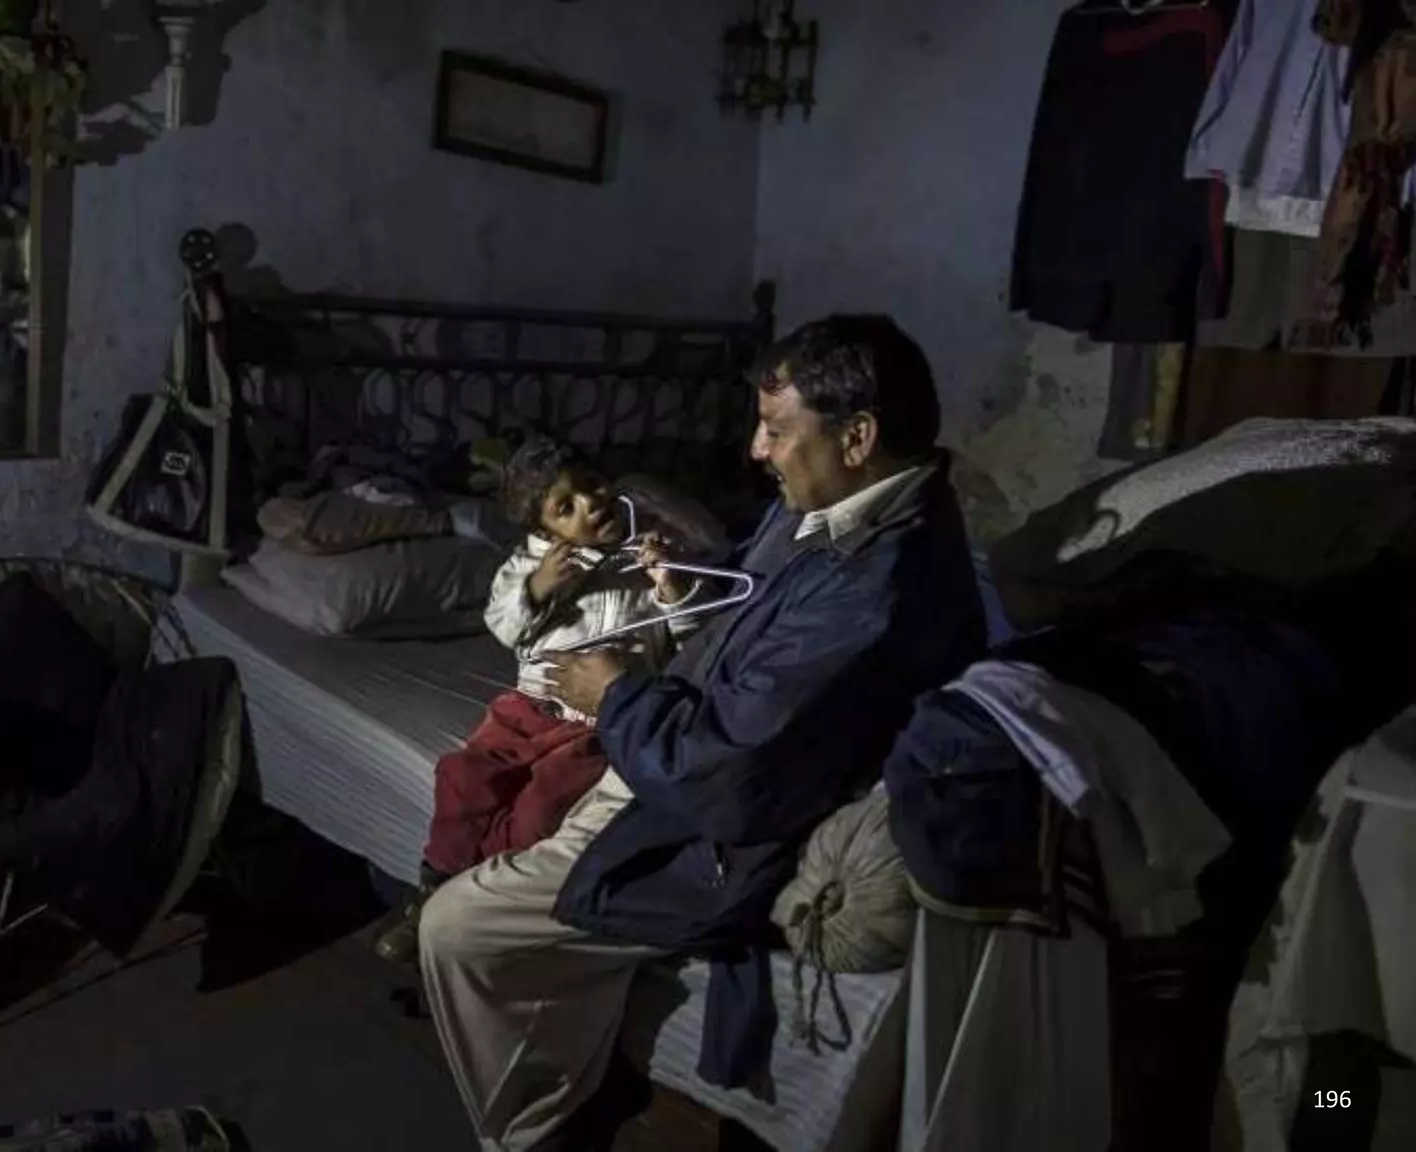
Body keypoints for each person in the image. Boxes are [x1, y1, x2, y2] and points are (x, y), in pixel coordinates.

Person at [415, 315, 989, 1151]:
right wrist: (687, 604)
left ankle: (535, 1134)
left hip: (704, 811)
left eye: (777, 430)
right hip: (661, 751)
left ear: (858, 436)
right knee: (499, 788)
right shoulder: (833, 512)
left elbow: (725, 773)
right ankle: (580, 1065)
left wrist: (615, 697)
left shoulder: (877, 585)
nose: (758, 451)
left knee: (457, 929)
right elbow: (747, 632)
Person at [375, 435, 702, 965]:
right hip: (526, 710)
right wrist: (538, 587)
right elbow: (502, 625)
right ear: (542, 529)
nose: (591, 504)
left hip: (596, 724)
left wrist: (670, 588)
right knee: (462, 775)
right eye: (565, 507)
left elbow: (689, 638)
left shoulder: (648, 555)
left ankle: (474, 899)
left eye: (593, 486)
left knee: (541, 808)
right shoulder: (527, 567)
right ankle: (433, 887)